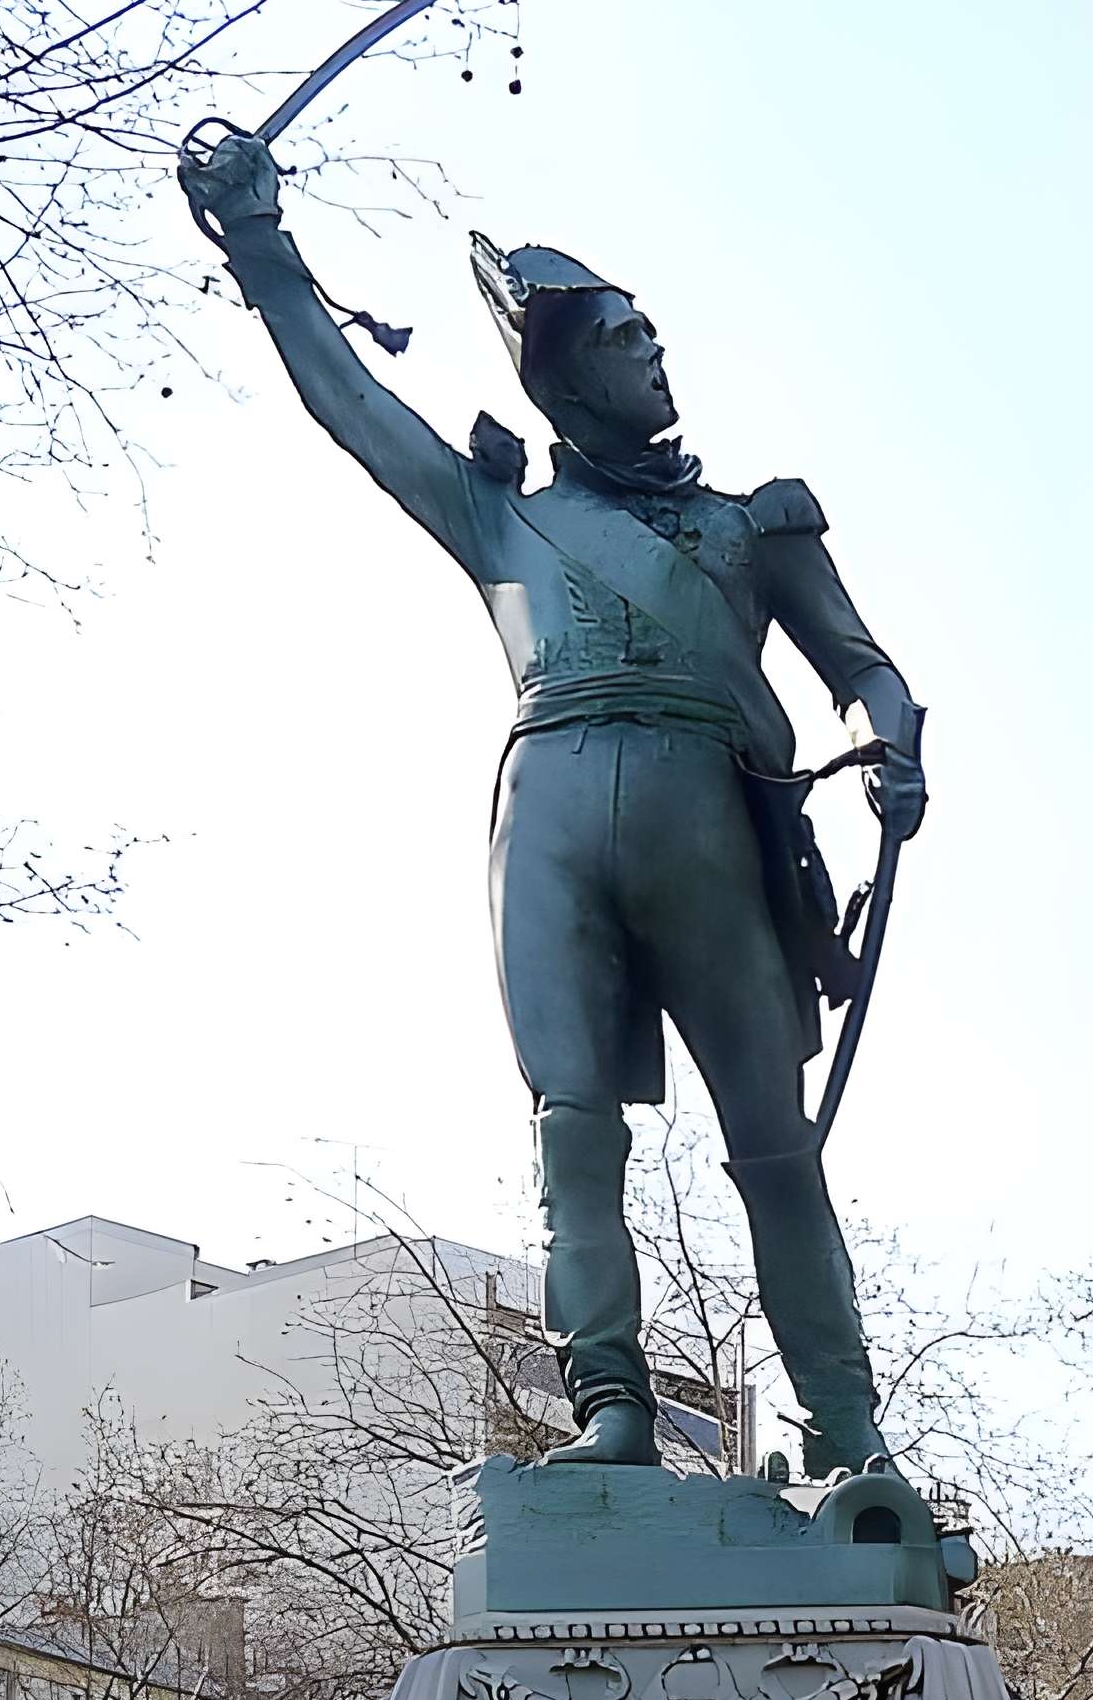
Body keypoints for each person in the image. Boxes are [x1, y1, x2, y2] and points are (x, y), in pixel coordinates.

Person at [180, 133, 927, 1475]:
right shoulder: (500, 518)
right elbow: (354, 405)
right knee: (572, 1129)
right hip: (551, 821)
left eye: (653, 332)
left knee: (772, 1141)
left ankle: (848, 1431)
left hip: (716, 815)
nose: (655, 354)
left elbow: (864, 665)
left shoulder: (752, 527)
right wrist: (259, 247)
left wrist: (891, 738)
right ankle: (611, 1406)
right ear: (562, 369)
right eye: (625, 336)